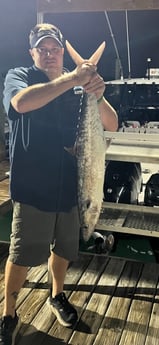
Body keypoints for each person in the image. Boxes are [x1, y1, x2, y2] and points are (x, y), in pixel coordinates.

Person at [0, 23, 118, 345]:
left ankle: (57, 295)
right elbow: (21, 104)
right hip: (33, 187)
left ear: (62, 51)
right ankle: (8, 313)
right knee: (22, 254)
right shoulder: (19, 76)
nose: (49, 54)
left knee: (64, 249)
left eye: (55, 49)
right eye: (43, 49)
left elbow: (112, 124)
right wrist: (73, 78)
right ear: (32, 53)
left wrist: (98, 93)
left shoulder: (79, 89)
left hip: (71, 187)